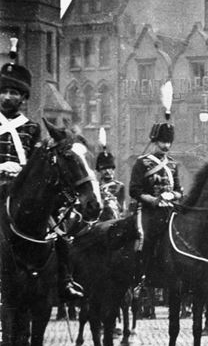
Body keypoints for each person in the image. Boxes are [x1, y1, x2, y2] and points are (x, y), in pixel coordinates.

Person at [1, 39, 84, 300]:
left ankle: (65, 281)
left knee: (57, 232)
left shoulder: (32, 127)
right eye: (3, 91)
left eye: (14, 93)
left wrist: (22, 171)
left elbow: (37, 162)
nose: (7, 97)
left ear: (23, 97)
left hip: (21, 189)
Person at [128, 83, 183, 281]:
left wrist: (172, 195)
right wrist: (153, 200)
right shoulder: (142, 163)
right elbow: (134, 191)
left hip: (170, 210)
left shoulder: (174, 165)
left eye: (169, 142)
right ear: (154, 142)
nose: (166, 146)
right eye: (163, 142)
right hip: (149, 210)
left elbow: (179, 190)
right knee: (146, 237)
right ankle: (143, 275)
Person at [95, 128, 127, 217]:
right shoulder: (96, 186)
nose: (108, 171)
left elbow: (122, 208)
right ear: (99, 170)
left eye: (110, 168)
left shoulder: (119, 186)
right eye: (104, 169)